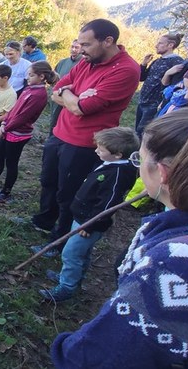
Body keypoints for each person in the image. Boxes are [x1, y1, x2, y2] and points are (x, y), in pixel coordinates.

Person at [51, 107, 188, 368]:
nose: (137, 166)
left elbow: (103, 355)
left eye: (140, 158)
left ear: (163, 173)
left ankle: (67, 285)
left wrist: (66, 350)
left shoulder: (174, 268)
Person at [31, 19, 140, 254]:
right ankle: (44, 220)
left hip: (84, 142)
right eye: (80, 44)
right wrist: (73, 95)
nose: (81, 50)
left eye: (87, 44)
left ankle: (59, 240)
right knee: (48, 180)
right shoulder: (87, 61)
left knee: (68, 192)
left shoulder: (126, 70)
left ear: (108, 41)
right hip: (59, 133)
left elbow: (83, 109)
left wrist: (71, 97)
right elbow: (57, 89)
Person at [37, 126, 139, 302]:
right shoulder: (110, 165)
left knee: (71, 253)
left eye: (101, 148)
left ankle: (66, 288)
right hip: (83, 218)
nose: (96, 150)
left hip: (89, 223)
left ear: (118, 154)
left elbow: (108, 204)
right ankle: (73, 279)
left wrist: (91, 225)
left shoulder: (117, 175)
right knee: (81, 253)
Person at [0, 62, 59, 202]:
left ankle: (6, 192)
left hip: (18, 134)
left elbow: (22, 117)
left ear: (41, 76)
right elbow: (15, 109)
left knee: (11, 162)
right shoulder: (29, 89)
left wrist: (4, 128)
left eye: (31, 75)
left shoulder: (39, 94)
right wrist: (4, 124)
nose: (27, 78)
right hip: (8, 129)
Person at [135, 33, 185, 137]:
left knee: (143, 133)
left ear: (171, 45)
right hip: (143, 101)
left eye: (160, 43)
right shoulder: (157, 61)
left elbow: (175, 85)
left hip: (155, 103)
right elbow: (142, 78)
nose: (156, 45)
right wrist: (144, 64)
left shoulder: (176, 61)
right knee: (137, 131)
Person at [48, 40, 82, 136]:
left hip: (70, 97)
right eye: (72, 47)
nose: (74, 50)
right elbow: (54, 76)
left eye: (77, 47)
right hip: (56, 94)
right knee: (53, 118)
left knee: (62, 120)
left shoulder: (83, 64)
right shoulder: (63, 62)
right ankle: (50, 138)